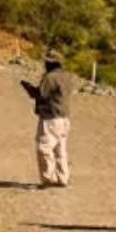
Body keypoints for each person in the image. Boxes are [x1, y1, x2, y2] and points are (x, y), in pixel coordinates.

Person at [21, 51, 75, 188]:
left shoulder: (51, 77)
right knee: (60, 149)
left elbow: (39, 94)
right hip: (64, 118)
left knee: (44, 148)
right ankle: (63, 178)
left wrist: (27, 87)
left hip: (51, 118)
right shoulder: (67, 77)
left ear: (50, 63)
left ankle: (48, 179)